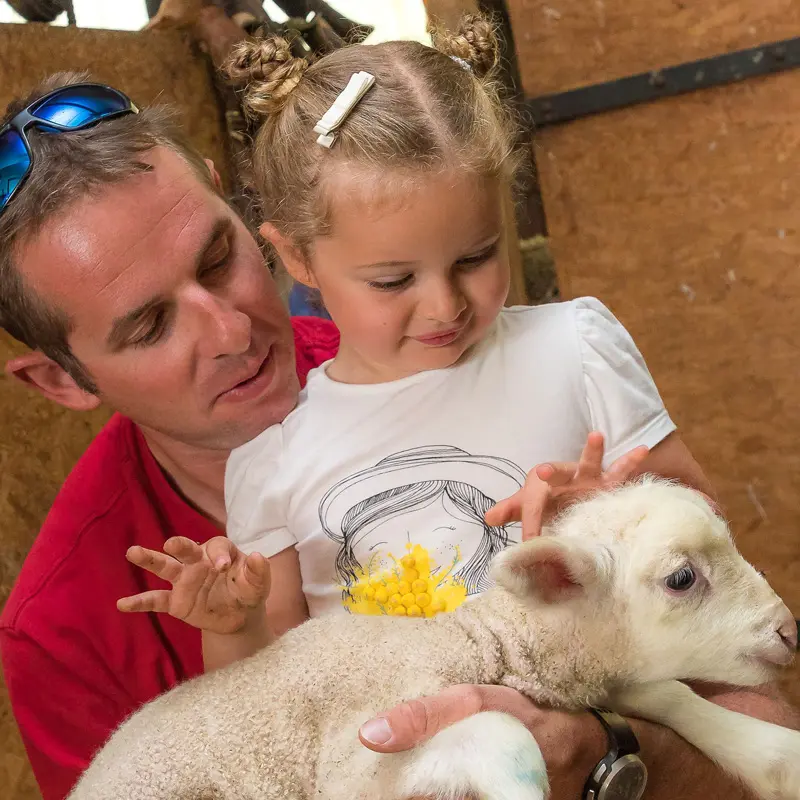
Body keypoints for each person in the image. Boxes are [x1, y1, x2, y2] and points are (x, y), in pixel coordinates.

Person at [116, 15, 798, 800]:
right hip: (418, 763)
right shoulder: (273, 465)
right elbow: (273, 692)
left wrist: (619, 511)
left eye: (476, 257)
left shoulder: (572, 348)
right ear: (297, 256)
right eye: (393, 280)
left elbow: (700, 524)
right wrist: (234, 627)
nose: (445, 304)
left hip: (615, 714)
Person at [0, 74, 340, 800]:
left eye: (218, 260)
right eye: (151, 325)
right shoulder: (62, 634)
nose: (233, 330)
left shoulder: (449, 350)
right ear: (64, 382)